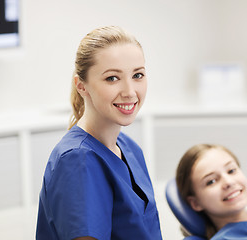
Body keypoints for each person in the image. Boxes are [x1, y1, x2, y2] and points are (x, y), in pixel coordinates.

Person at [36, 26, 162, 240]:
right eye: (112, 78)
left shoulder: (128, 147)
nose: (130, 92)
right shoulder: (78, 161)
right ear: (81, 86)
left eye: (138, 75)